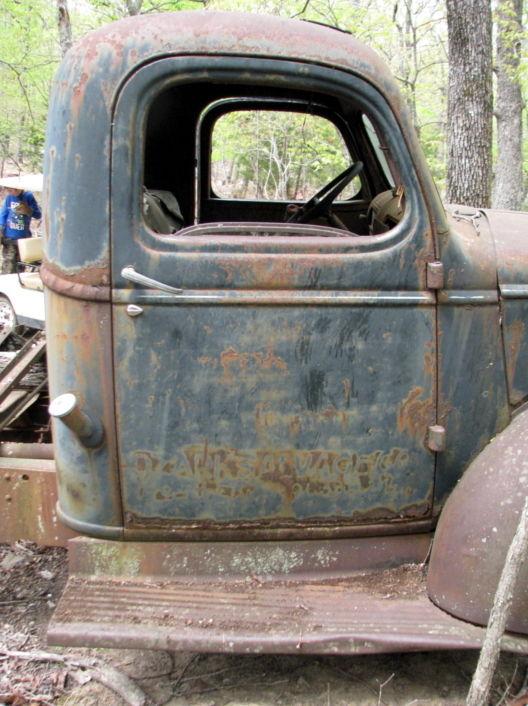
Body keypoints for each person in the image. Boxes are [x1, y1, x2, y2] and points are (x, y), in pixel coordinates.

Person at [0, 183, 42, 274]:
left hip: (23, 237)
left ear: (17, 187)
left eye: (11, 190)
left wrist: (28, 210)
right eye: (8, 190)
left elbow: (38, 214)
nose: (10, 192)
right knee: (8, 263)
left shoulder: (28, 196)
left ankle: (18, 281)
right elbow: (3, 214)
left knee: (20, 264)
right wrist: (1, 228)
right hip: (9, 236)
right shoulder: (9, 197)